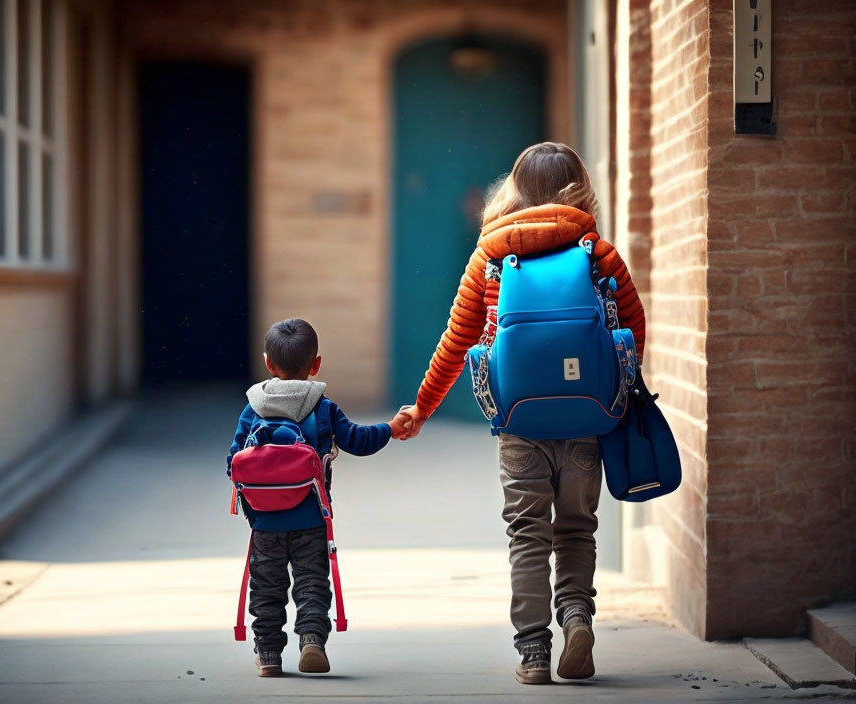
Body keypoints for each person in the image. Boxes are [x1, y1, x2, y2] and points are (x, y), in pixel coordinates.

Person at [399, 143, 646, 684]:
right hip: (587, 419)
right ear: (579, 187)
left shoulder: (490, 257)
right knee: (577, 529)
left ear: (516, 189)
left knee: (527, 534)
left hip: (517, 422)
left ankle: (533, 653)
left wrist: (420, 409)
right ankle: (576, 617)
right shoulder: (598, 253)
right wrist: (618, 398)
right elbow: (633, 331)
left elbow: (457, 342)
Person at [228, 318, 410, 677]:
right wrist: (390, 428)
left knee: (266, 587)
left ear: (268, 363)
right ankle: (312, 640)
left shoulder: (253, 408)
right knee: (312, 582)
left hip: (264, 523)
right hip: (312, 518)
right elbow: (358, 441)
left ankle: (268, 655)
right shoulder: (323, 408)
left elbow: (232, 462)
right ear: (316, 364)